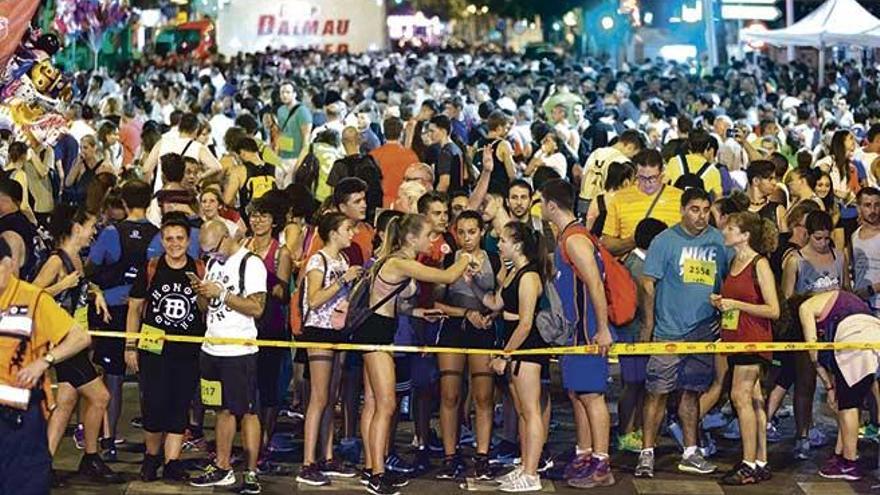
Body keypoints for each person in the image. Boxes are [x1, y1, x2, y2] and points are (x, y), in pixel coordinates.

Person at [353, 214, 471, 495]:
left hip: (378, 330)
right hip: (376, 336)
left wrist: (417, 311)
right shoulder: (400, 262)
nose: (432, 240)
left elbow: (390, 301)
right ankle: (377, 474)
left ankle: (372, 468)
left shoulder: (392, 261)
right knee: (386, 404)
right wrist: (466, 257)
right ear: (410, 238)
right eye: (428, 234)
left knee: (373, 403)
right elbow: (448, 276)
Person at [636, 188, 730, 478]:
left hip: (702, 332)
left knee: (692, 392)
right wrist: (650, 324)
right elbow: (647, 283)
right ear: (682, 210)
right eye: (694, 209)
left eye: (705, 209)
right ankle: (647, 453)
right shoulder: (664, 241)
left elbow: (725, 282)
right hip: (669, 332)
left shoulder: (718, 241)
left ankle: (691, 451)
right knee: (657, 392)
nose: (701, 216)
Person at [0, 236, 92, 495]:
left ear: (9, 264)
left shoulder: (33, 299)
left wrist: (45, 361)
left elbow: (80, 336)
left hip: (20, 419)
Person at [35, 206, 119, 485]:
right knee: (101, 397)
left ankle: (43, 464)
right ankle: (91, 457)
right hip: (63, 342)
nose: (94, 231)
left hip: (77, 337)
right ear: (76, 227)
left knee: (67, 402)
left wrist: (95, 293)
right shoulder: (57, 261)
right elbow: (31, 295)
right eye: (91, 225)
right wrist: (61, 286)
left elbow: (83, 284)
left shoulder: (77, 258)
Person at [540, 179, 616, 489]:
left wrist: (601, 329)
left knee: (591, 396)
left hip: (586, 334)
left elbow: (595, 284)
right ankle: (584, 455)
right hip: (573, 335)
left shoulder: (575, 240)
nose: (540, 207)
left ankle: (601, 462)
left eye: (542, 202)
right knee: (577, 394)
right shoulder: (567, 238)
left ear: (552, 205)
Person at [124, 213, 206, 482]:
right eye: (169, 238)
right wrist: (130, 345)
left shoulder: (200, 269)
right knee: (154, 405)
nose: (174, 243)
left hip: (188, 350)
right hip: (153, 347)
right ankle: (151, 456)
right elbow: (135, 308)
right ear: (161, 239)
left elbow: (207, 311)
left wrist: (202, 293)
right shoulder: (151, 267)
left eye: (179, 238)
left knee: (180, 405)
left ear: (188, 239)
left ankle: (172, 460)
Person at [190, 220, 267, 494]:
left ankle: (251, 470)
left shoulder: (251, 263)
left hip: (239, 351)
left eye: (213, 249)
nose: (211, 256)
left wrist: (221, 293)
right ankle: (222, 466)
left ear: (226, 238)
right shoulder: (213, 264)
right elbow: (207, 308)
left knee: (246, 411)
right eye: (206, 252)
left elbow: (257, 308)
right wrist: (203, 293)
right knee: (220, 409)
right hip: (212, 348)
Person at [87, 179, 159, 460]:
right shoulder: (158, 236)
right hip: (147, 314)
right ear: (150, 200)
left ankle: (109, 442)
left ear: (124, 203)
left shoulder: (111, 233)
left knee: (113, 379)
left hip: (113, 313)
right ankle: (154, 445)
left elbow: (91, 268)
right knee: (149, 379)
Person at [480, 221, 549, 492]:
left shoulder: (529, 277)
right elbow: (496, 304)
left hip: (526, 349)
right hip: (512, 346)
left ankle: (532, 473)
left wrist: (505, 356)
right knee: (522, 410)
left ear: (518, 245)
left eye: (504, 241)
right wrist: (472, 284)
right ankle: (524, 465)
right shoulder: (512, 273)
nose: (499, 245)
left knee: (531, 411)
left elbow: (526, 324)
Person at [712, 212, 779, 485]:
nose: (724, 232)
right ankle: (760, 460)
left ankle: (748, 463)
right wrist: (722, 302)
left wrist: (736, 305)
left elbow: (773, 309)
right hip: (736, 336)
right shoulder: (734, 261)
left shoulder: (758, 264)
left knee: (739, 395)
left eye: (730, 228)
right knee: (752, 397)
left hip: (753, 338)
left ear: (745, 235)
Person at [296, 212, 362, 486]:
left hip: (337, 330)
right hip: (318, 330)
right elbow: (313, 299)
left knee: (331, 396)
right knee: (319, 397)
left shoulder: (343, 260)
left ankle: (327, 454)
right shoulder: (318, 260)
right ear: (333, 232)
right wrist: (342, 281)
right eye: (348, 229)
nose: (353, 233)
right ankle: (308, 461)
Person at [432, 210, 497, 480]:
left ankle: (482, 455)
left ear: (481, 232)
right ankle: (450, 455)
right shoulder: (448, 260)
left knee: (483, 396)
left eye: (472, 232)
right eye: (462, 232)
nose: (467, 238)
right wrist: (465, 313)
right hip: (452, 330)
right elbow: (435, 302)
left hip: (483, 332)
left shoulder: (494, 259)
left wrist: (490, 315)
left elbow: (504, 297)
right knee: (449, 395)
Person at [795, 290, 874, 481]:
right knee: (849, 402)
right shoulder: (844, 297)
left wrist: (828, 385)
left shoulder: (805, 307)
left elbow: (813, 350)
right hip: (874, 335)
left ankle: (849, 462)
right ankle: (841, 456)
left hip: (852, 338)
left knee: (848, 406)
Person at [241, 197, 292, 472]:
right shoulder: (243, 246)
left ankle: (264, 443)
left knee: (269, 388)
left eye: (263, 216)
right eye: (254, 215)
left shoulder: (281, 253)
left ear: (274, 221)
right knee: (248, 388)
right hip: (244, 325)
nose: (258, 220)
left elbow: (283, 294)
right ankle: (249, 444)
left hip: (270, 326)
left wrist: (263, 274)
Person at [601, 149, 683, 256]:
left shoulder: (680, 197)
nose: (647, 184)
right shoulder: (620, 198)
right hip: (631, 267)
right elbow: (607, 243)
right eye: (642, 178)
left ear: (662, 173)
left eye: (652, 178)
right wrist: (633, 241)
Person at [577, 129, 644, 215]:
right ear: (630, 147)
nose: (632, 158)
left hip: (583, 203)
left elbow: (583, 174)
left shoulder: (596, 152)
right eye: (634, 155)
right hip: (603, 208)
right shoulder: (623, 163)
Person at [371, 117, 419, 208]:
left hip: (380, 204)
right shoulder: (411, 156)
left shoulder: (373, 155)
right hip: (404, 204)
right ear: (401, 133)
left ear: (384, 133)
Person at [276, 82, 313, 185]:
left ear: (294, 94)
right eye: (282, 92)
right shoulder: (280, 110)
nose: (284, 95)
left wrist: (299, 163)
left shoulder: (302, 111)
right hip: (282, 157)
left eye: (288, 92)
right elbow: (280, 133)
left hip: (295, 157)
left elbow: (306, 140)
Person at [852, 187, 880, 313]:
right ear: (859, 208)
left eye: (877, 205)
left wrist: (872, 289)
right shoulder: (854, 236)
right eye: (867, 205)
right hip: (861, 304)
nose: (873, 210)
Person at [428, 115, 465, 193]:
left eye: (432, 131)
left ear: (443, 131)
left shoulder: (445, 153)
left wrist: (435, 199)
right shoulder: (455, 148)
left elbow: (444, 183)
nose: (429, 134)